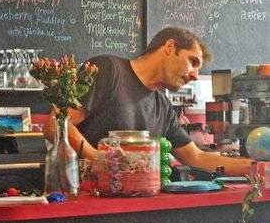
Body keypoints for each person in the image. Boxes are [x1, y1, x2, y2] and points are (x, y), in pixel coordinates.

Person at [44, 27, 254, 176]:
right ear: (169, 46)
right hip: (88, 202)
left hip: (137, 204)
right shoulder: (108, 69)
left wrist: (256, 167)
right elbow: (56, 124)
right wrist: (100, 159)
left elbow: (197, 157)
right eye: (193, 61)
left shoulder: (163, 106)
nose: (195, 75)